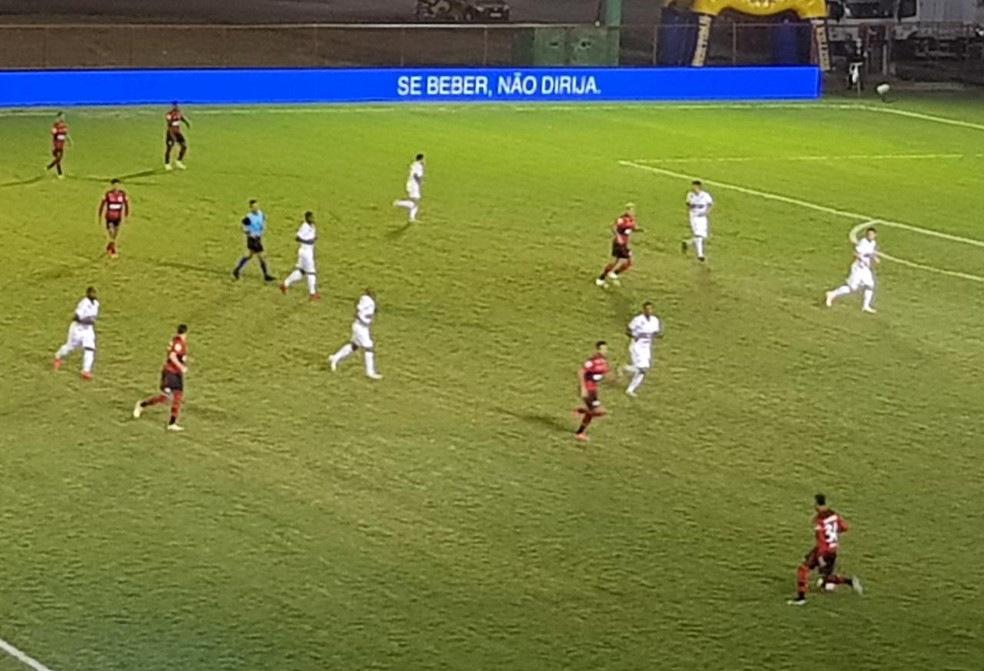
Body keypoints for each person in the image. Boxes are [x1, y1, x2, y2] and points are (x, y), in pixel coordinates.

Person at [789, 494, 864, 605]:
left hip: (823, 551)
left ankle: (801, 598)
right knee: (827, 577)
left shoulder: (819, 519)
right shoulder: (833, 514)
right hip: (833, 550)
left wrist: (819, 557)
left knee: (803, 569)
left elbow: (821, 539)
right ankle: (850, 582)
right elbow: (845, 527)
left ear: (817, 504)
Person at [133, 324, 189, 432]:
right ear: (185, 333)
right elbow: (172, 356)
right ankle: (142, 405)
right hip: (170, 373)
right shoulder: (178, 344)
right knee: (165, 397)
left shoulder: (177, 341)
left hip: (177, 374)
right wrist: (181, 366)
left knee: (178, 397)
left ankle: (172, 423)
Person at [329, 288, 383, 380]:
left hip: (361, 327)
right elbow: (359, 309)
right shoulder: (366, 300)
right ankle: (370, 372)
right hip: (360, 327)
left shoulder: (370, 302)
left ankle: (335, 357)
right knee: (368, 347)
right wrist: (360, 316)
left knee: (354, 346)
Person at [826, 227, 879, 313]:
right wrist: (862, 259)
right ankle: (831, 294)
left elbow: (870, 252)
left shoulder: (873, 243)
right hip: (858, 268)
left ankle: (866, 306)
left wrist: (875, 258)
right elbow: (855, 253)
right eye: (869, 234)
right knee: (851, 288)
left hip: (865, 269)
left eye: (872, 234)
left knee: (870, 285)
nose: (870, 236)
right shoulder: (863, 242)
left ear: (875, 235)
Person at [53, 286, 99, 380]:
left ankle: (86, 371)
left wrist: (90, 322)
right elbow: (76, 317)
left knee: (90, 349)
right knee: (70, 347)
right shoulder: (84, 303)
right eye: (91, 293)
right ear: (87, 294)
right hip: (78, 329)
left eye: (94, 293)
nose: (93, 295)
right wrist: (87, 321)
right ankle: (58, 356)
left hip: (88, 330)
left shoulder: (96, 304)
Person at [596, 204, 641, 287]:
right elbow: (614, 228)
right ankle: (602, 277)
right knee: (621, 261)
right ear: (627, 210)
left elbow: (631, 228)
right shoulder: (622, 219)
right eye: (630, 210)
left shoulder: (632, 219)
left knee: (626, 262)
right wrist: (618, 237)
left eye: (633, 210)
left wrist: (638, 229)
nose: (632, 212)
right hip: (619, 244)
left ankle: (611, 274)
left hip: (624, 244)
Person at [575, 341, 611, 442]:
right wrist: (583, 388)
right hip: (588, 389)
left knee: (593, 413)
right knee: (599, 411)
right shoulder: (592, 361)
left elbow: (605, 373)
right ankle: (582, 415)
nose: (605, 351)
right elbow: (581, 371)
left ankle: (580, 432)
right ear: (598, 350)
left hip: (594, 390)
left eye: (606, 349)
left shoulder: (604, 361)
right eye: (602, 349)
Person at [624, 302, 663, 397]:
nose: (649, 311)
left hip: (646, 348)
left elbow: (657, 333)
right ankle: (625, 368)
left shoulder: (655, 320)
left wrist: (657, 335)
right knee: (641, 369)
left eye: (650, 309)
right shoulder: (638, 320)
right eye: (647, 309)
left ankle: (630, 389)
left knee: (643, 370)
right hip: (636, 346)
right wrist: (634, 336)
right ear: (644, 310)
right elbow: (628, 330)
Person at [279, 211, 320, 300]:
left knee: (301, 271)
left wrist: (313, 239)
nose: (313, 219)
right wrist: (309, 241)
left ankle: (284, 284)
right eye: (311, 217)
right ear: (307, 218)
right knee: (311, 272)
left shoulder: (312, 226)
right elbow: (297, 238)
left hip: (308, 251)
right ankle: (312, 294)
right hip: (305, 252)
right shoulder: (304, 226)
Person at [233, 199, 275, 281]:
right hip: (253, 239)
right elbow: (242, 226)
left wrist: (263, 229)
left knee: (249, 255)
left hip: (258, 238)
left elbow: (263, 221)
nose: (256, 208)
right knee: (261, 256)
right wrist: (246, 232)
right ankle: (266, 275)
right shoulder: (249, 217)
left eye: (257, 206)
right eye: (254, 207)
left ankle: (237, 270)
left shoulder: (260, 213)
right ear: (251, 208)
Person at [98, 178, 130, 259]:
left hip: (118, 218)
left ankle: (110, 247)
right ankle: (113, 251)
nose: (116, 187)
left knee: (115, 235)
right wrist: (100, 216)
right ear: (112, 186)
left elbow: (126, 205)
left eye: (117, 185)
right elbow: (102, 205)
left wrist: (126, 216)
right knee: (111, 233)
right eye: (114, 185)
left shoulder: (122, 194)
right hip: (109, 217)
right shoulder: (108, 194)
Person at [682, 180, 713, 262]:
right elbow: (688, 205)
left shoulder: (705, 195)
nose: (693, 188)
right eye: (693, 186)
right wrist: (691, 214)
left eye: (695, 187)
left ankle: (688, 242)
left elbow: (710, 204)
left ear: (699, 187)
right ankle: (700, 255)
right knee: (699, 235)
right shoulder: (690, 195)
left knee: (703, 236)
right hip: (694, 217)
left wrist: (706, 212)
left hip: (703, 217)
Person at [394, 153, 425, 223]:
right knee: (415, 203)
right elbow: (415, 175)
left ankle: (412, 218)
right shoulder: (418, 166)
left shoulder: (414, 164)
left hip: (411, 184)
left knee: (415, 202)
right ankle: (398, 203)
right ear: (421, 159)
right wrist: (419, 182)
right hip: (414, 185)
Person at [164, 102, 190, 171]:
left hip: (177, 133)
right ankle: (167, 163)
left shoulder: (178, 113)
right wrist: (172, 137)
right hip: (170, 133)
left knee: (184, 146)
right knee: (169, 148)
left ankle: (178, 161)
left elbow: (182, 118)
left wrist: (187, 123)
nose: (176, 107)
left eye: (176, 106)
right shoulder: (169, 115)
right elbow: (169, 126)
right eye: (174, 106)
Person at [46, 112, 70, 179]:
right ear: (58, 117)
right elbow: (53, 133)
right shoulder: (56, 125)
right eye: (61, 117)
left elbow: (66, 134)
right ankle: (59, 173)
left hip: (62, 144)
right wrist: (55, 131)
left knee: (59, 158)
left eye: (63, 117)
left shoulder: (65, 126)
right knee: (58, 158)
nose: (63, 118)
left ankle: (49, 166)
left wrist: (69, 140)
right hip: (56, 144)